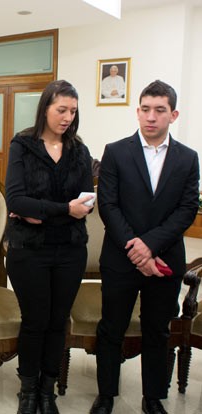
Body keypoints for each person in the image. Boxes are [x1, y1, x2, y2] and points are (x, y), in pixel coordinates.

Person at [90, 80, 199, 414]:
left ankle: (153, 398)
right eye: (145, 109)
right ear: (137, 111)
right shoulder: (116, 151)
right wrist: (134, 249)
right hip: (120, 257)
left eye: (160, 110)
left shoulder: (187, 158)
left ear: (173, 114)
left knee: (158, 330)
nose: (151, 117)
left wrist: (149, 246)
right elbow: (108, 205)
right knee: (112, 327)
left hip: (166, 259)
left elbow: (186, 209)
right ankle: (106, 394)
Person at [5, 80, 94, 414]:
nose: (67, 117)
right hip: (29, 250)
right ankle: (27, 391)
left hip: (70, 250)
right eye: (61, 110)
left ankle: (47, 390)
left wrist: (39, 211)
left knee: (58, 322)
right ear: (45, 108)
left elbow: (85, 202)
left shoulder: (79, 151)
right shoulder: (23, 146)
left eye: (73, 111)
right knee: (34, 320)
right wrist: (63, 210)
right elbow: (15, 199)